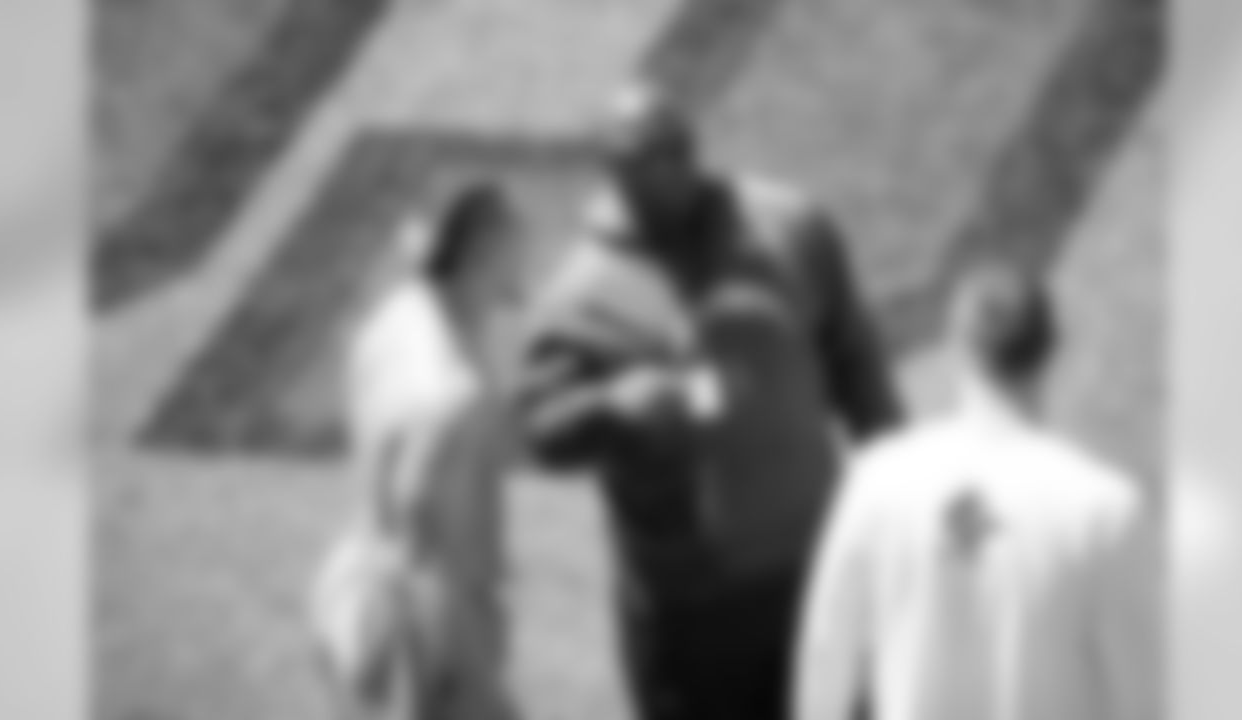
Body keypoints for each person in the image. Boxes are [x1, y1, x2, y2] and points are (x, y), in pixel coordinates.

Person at [515, 82, 904, 720]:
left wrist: (904, 491)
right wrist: (609, 409)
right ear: (612, 171)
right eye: (648, 159)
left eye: (679, 148)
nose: (672, 169)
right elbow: (537, 433)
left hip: (819, 568)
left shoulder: (789, 229)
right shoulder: (577, 300)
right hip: (692, 616)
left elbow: (856, 364)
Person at [793, 263, 1160, 720]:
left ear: (956, 350)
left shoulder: (876, 483)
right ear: (1050, 353)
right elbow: (1147, 690)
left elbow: (826, 656)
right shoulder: (1107, 510)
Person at [308, 183, 527, 720]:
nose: (529, 248)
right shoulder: (456, 395)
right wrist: (484, 693)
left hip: (353, 605)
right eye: (517, 235)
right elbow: (426, 559)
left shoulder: (394, 320)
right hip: (423, 645)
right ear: (484, 250)